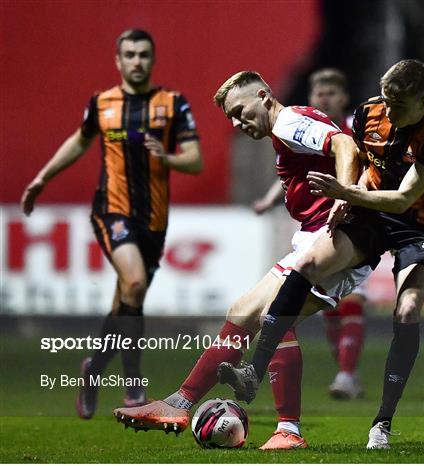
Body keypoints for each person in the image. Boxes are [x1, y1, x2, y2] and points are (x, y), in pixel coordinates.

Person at [113, 70, 372, 449]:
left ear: (265, 96)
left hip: (335, 235)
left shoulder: (288, 122)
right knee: (246, 311)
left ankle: (287, 430)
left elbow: (346, 146)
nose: (237, 122)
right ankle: (182, 404)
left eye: (240, 110)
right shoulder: (286, 127)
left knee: (272, 315)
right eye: (230, 117)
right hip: (320, 235)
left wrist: (344, 197)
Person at [217, 59, 424, 450]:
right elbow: (360, 159)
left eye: (400, 108)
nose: (391, 114)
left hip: (418, 224)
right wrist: (347, 193)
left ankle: (382, 420)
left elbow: (403, 200)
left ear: (422, 102)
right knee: (308, 263)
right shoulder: (369, 112)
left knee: (407, 310)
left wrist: (344, 194)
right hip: (371, 215)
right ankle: (255, 374)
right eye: (387, 103)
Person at [20, 29, 203, 419]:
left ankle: (92, 370)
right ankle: (133, 383)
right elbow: (79, 141)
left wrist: (168, 158)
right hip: (112, 210)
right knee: (134, 283)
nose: (136, 61)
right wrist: (42, 177)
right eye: (129, 54)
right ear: (118, 61)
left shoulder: (172, 104)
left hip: (153, 220)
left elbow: (195, 159)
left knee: (126, 301)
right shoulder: (102, 104)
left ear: (152, 60)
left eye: (143, 54)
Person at [252, 68, 367, 399]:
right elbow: (289, 175)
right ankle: (346, 372)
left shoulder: (351, 130)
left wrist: (350, 194)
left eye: (331, 93)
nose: (324, 98)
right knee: (326, 304)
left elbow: (361, 160)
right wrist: (269, 200)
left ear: (343, 98)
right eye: (319, 93)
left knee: (353, 300)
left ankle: (346, 374)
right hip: (317, 225)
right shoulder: (301, 129)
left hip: (354, 222)